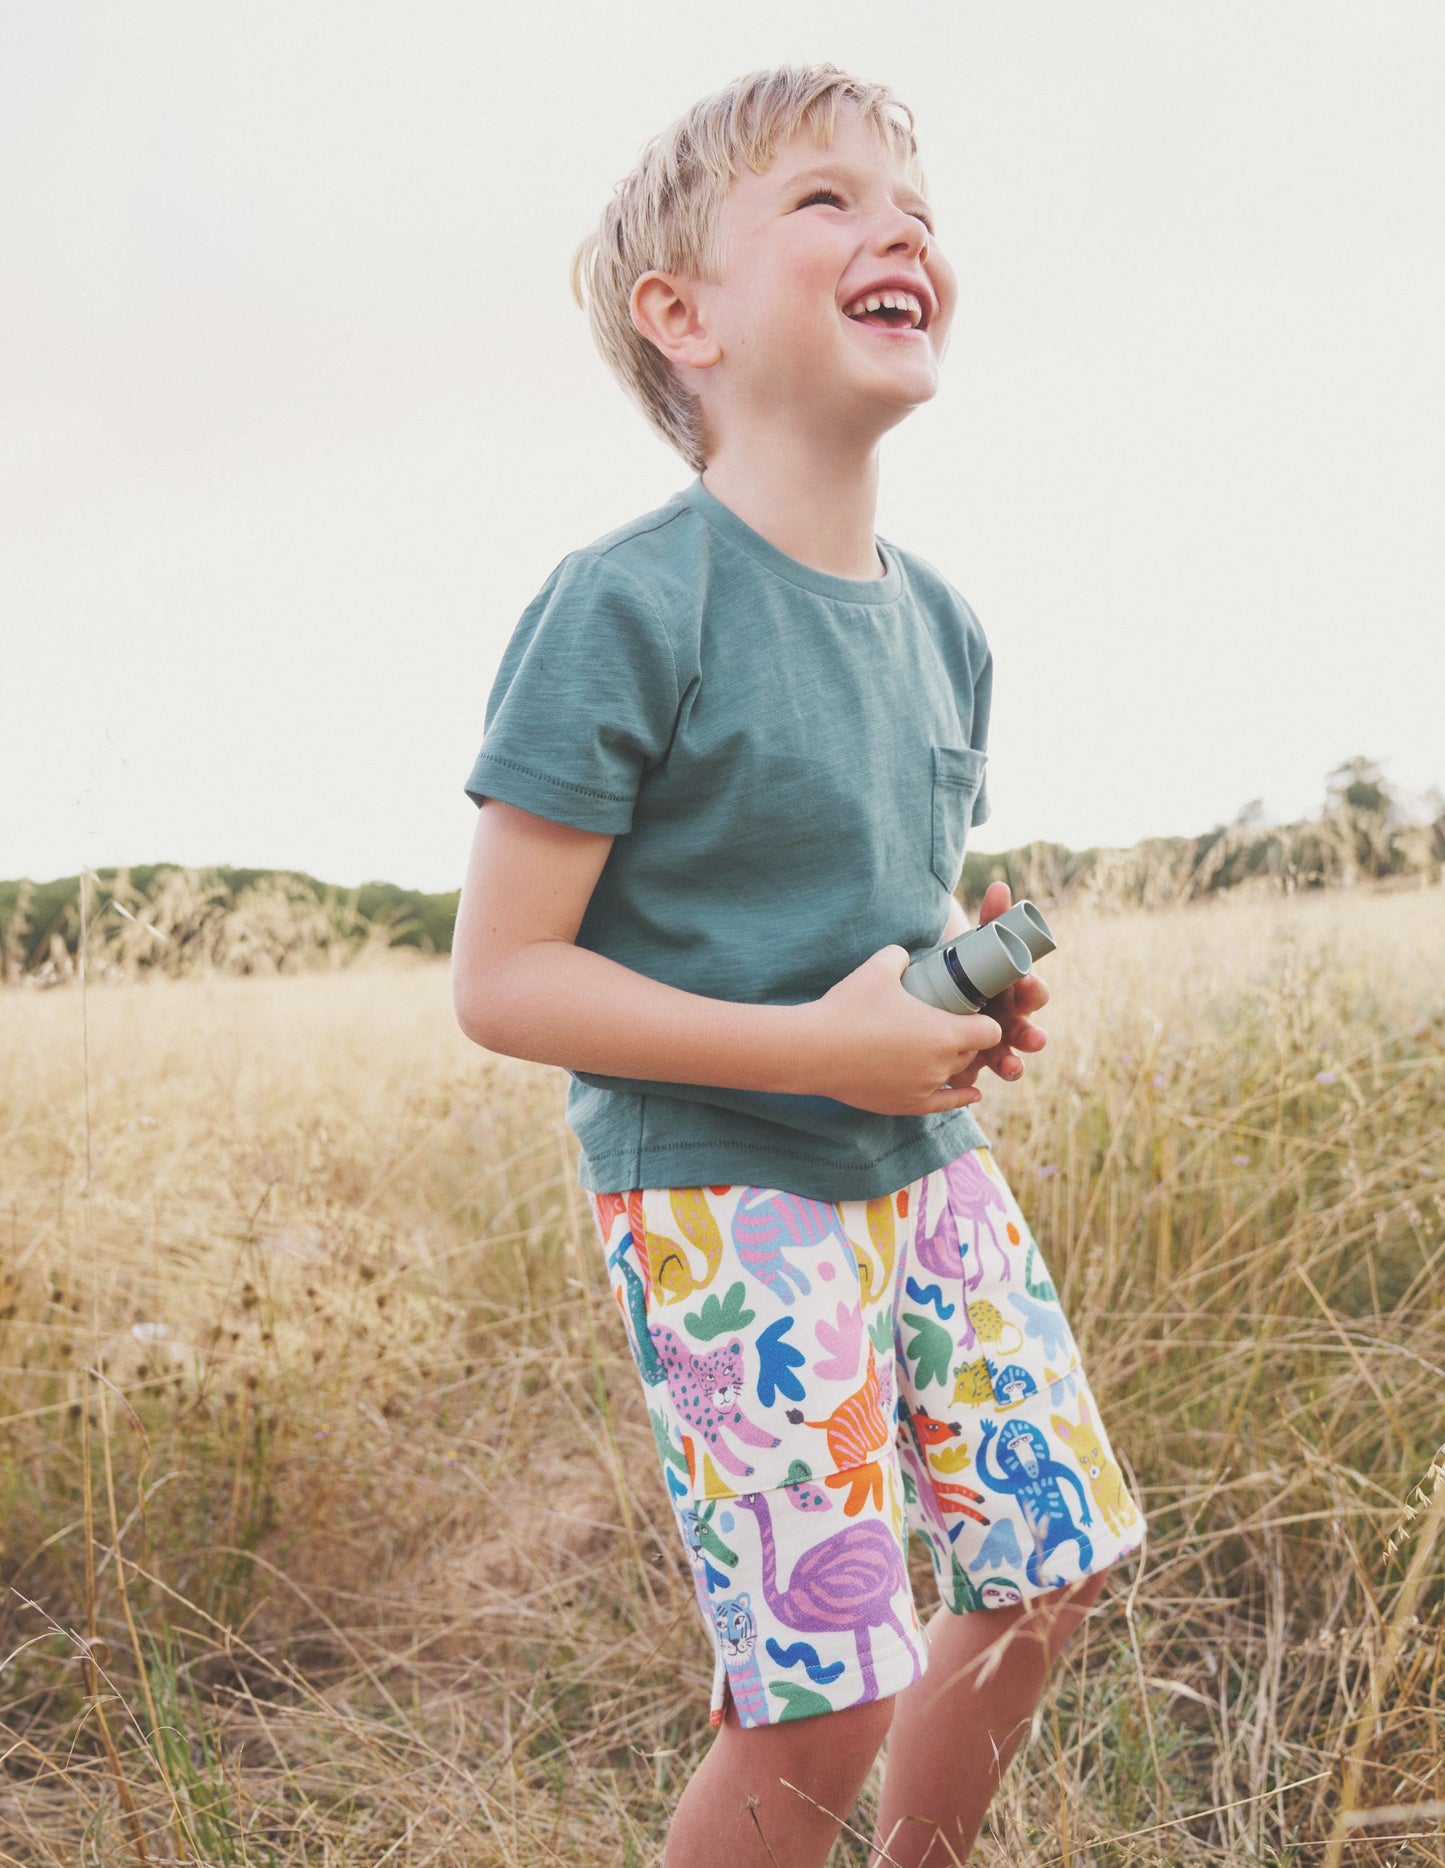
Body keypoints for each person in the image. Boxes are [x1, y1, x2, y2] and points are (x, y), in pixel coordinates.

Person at [452, 62, 1145, 1868]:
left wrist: (952, 1005)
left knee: (1047, 1572)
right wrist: (812, 1054)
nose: (895, 225)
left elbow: (882, 925)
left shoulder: (946, 629)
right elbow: (503, 980)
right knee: (822, 1682)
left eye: (911, 205)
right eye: (823, 201)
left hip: (930, 1181)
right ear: (678, 318)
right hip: (722, 1200)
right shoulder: (627, 602)